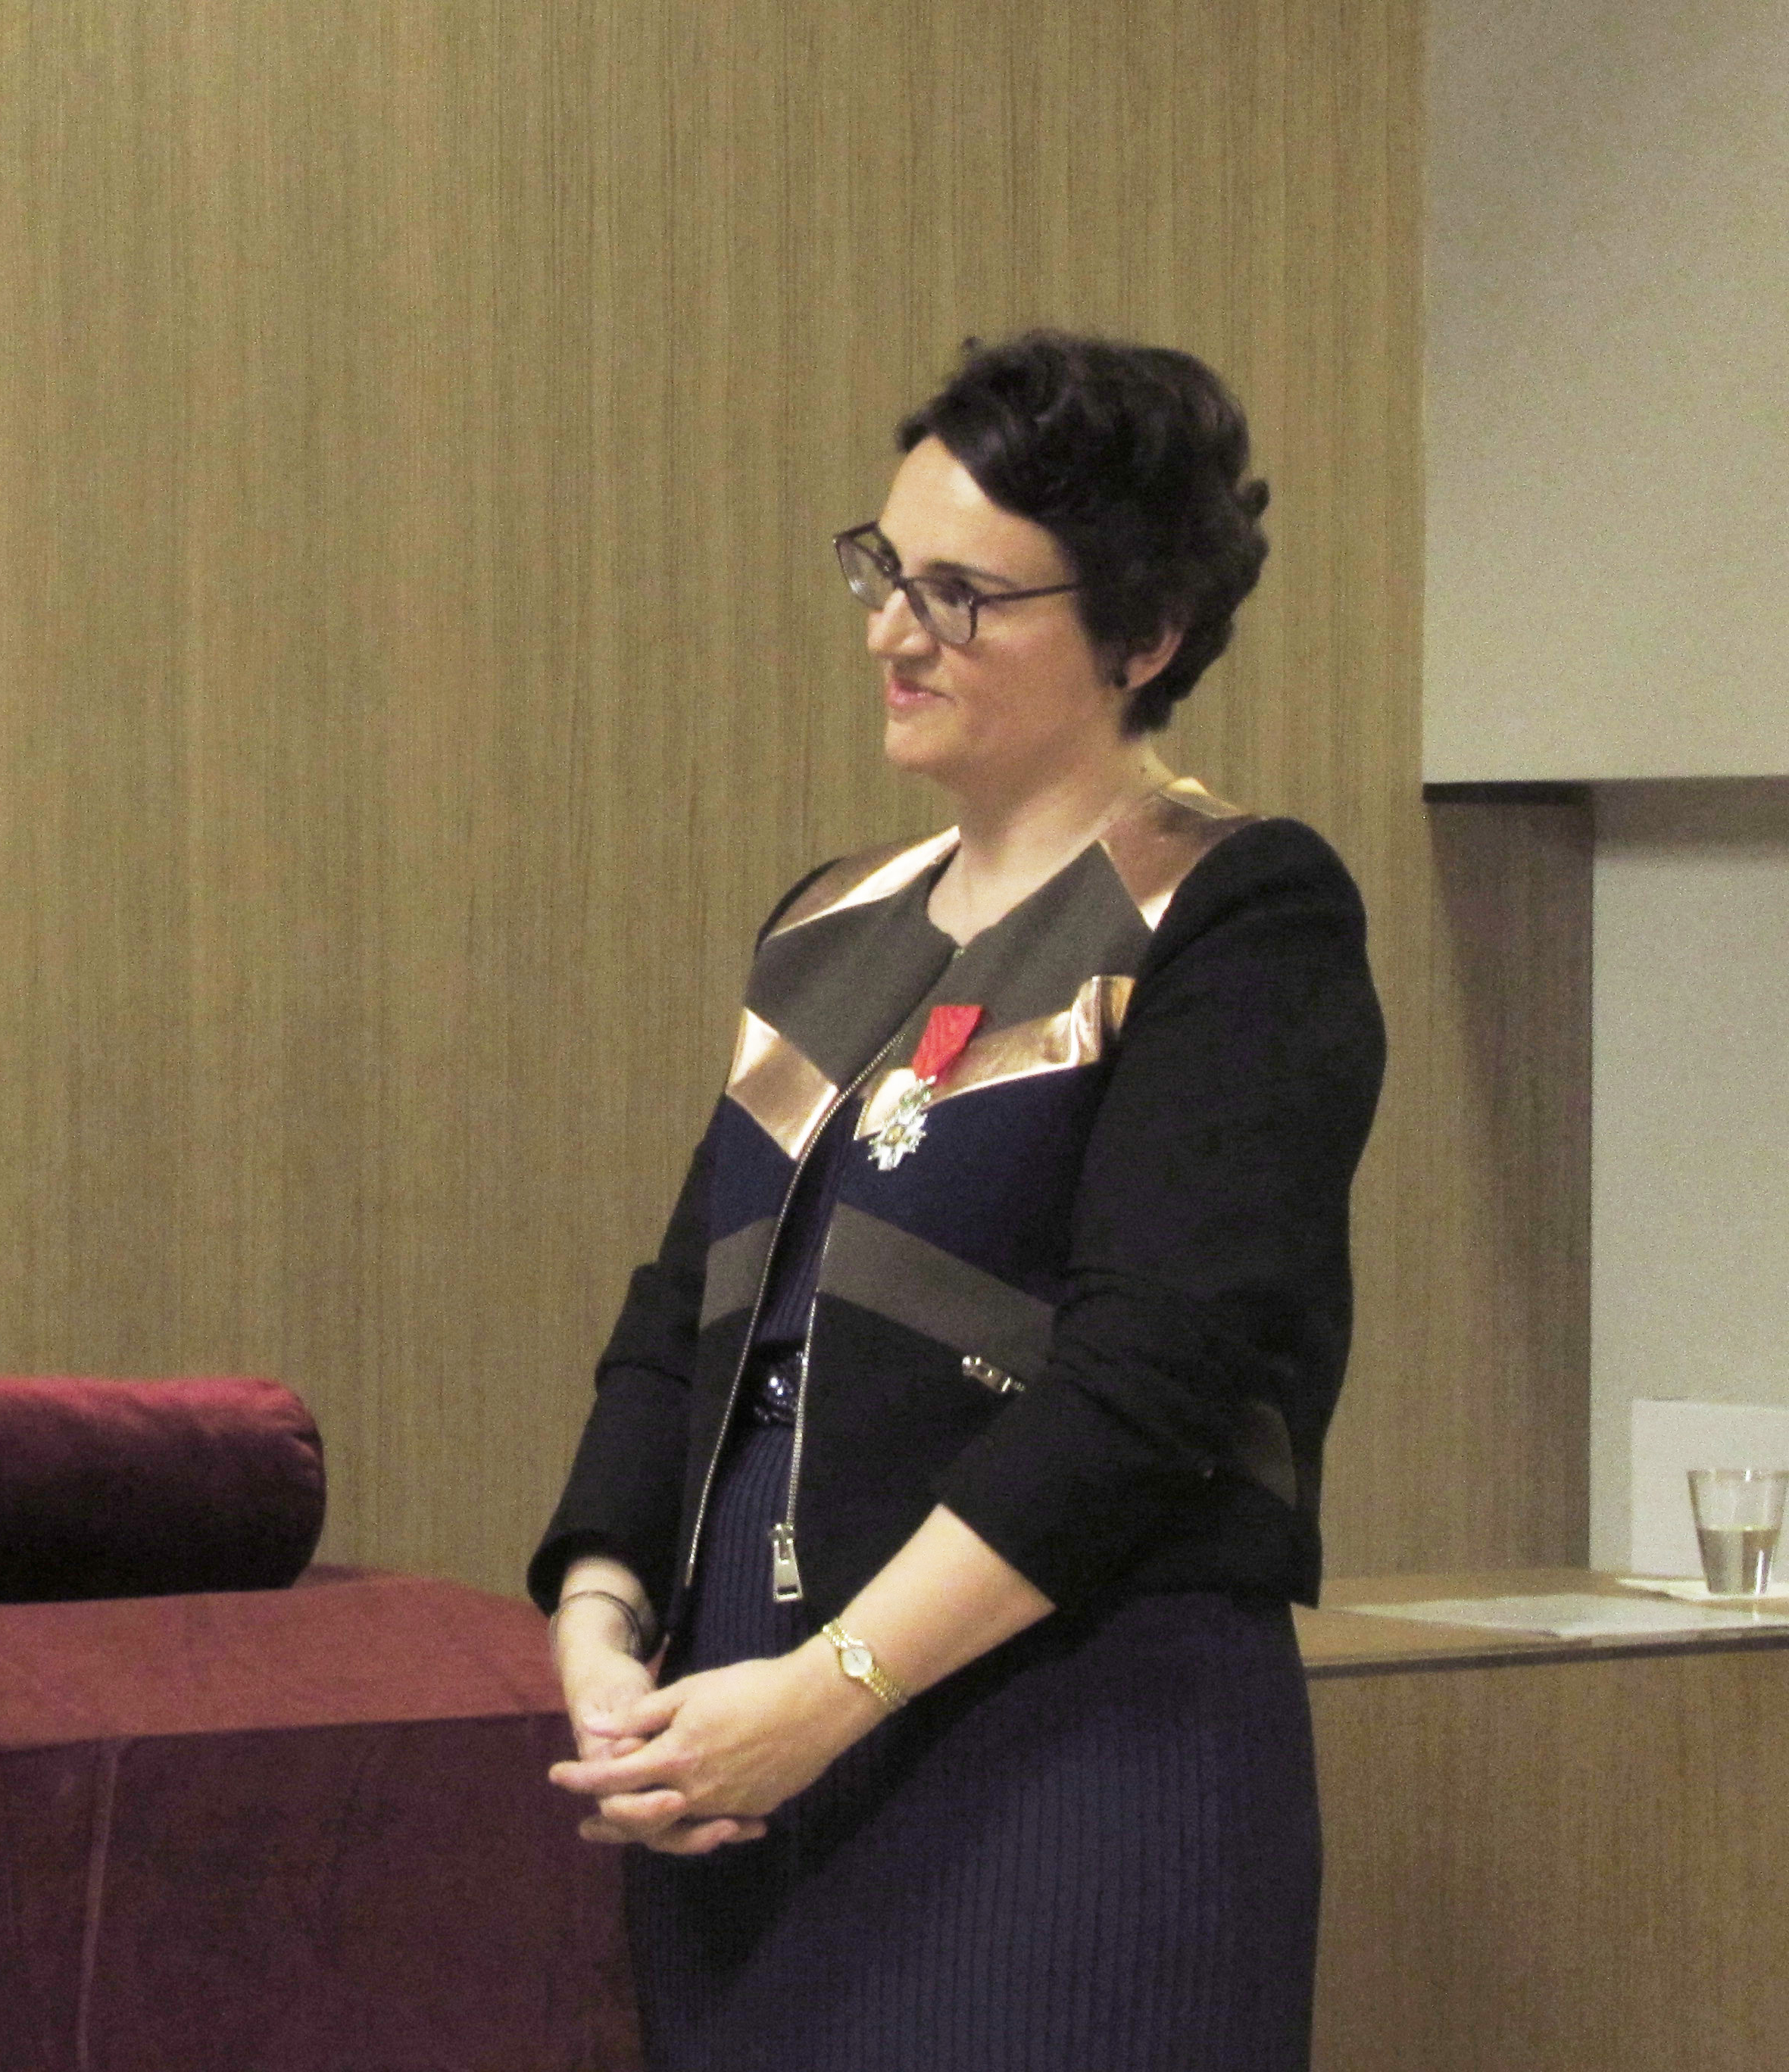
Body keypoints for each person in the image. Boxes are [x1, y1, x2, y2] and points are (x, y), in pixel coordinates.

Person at [533, 332, 1385, 2070]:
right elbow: (679, 1321)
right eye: (881, 571)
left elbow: (1152, 1384)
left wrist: (831, 1692)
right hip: (747, 1779)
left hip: (1066, 1770)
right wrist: (599, 1623)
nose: (889, 634)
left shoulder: (1234, 913)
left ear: (1139, 639)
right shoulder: (830, 926)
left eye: (960, 596)